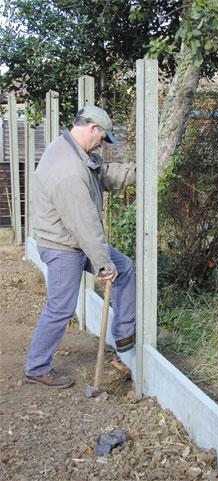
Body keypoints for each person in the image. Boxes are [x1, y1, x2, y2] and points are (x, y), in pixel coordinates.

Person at [24, 105, 136, 389]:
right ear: (92, 128)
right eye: (102, 138)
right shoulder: (69, 169)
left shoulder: (73, 151)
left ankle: (123, 334)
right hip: (64, 246)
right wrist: (103, 264)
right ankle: (37, 367)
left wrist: (140, 172)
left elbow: (103, 174)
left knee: (125, 268)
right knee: (61, 308)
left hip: (70, 240)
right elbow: (85, 226)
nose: (102, 144)